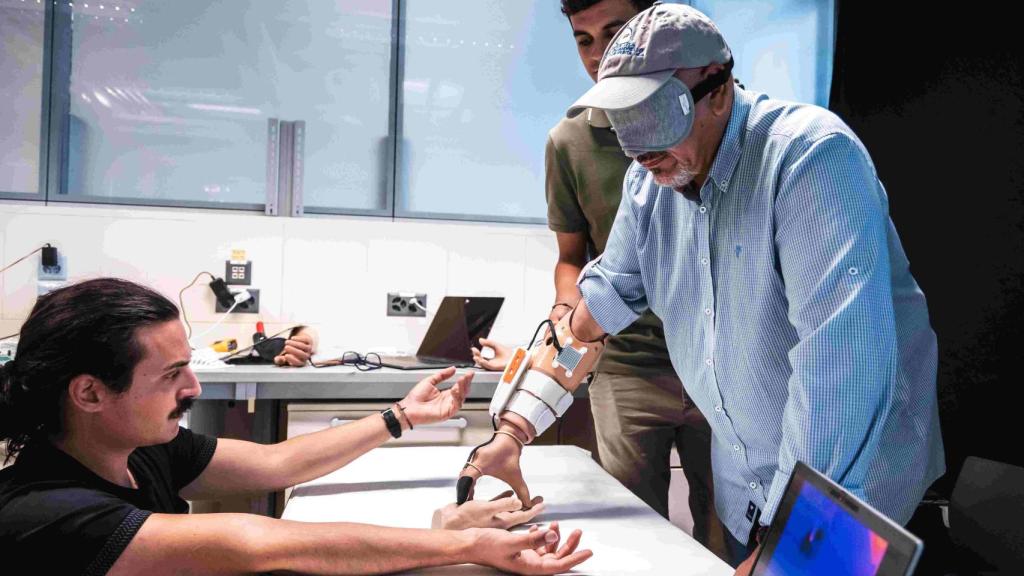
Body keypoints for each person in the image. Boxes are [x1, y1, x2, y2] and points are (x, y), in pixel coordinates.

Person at [461, 4, 944, 569]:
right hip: (751, 488)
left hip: (850, 495)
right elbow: (588, 316)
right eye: (625, 126)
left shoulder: (808, 158)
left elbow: (840, 375)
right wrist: (514, 430)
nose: (640, 152)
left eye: (655, 117)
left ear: (717, 90)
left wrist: (787, 549)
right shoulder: (652, 186)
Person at [0, 278, 591, 575]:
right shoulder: (46, 513)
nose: (194, 389)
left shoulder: (134, 448)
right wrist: (463, 544)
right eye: (172, 374)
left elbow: (275, 464)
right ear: (89, 393)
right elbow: (255, 547)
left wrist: (400, 417)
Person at [470, 0, 723, 553]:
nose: (602, 52)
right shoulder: (636, 178)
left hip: (722, 368)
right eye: (583, 39)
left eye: (616, 33)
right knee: (640, 529)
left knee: (731, 530)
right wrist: (514, 429)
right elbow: (594, 312)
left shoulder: (792, 163)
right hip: (630, 367)